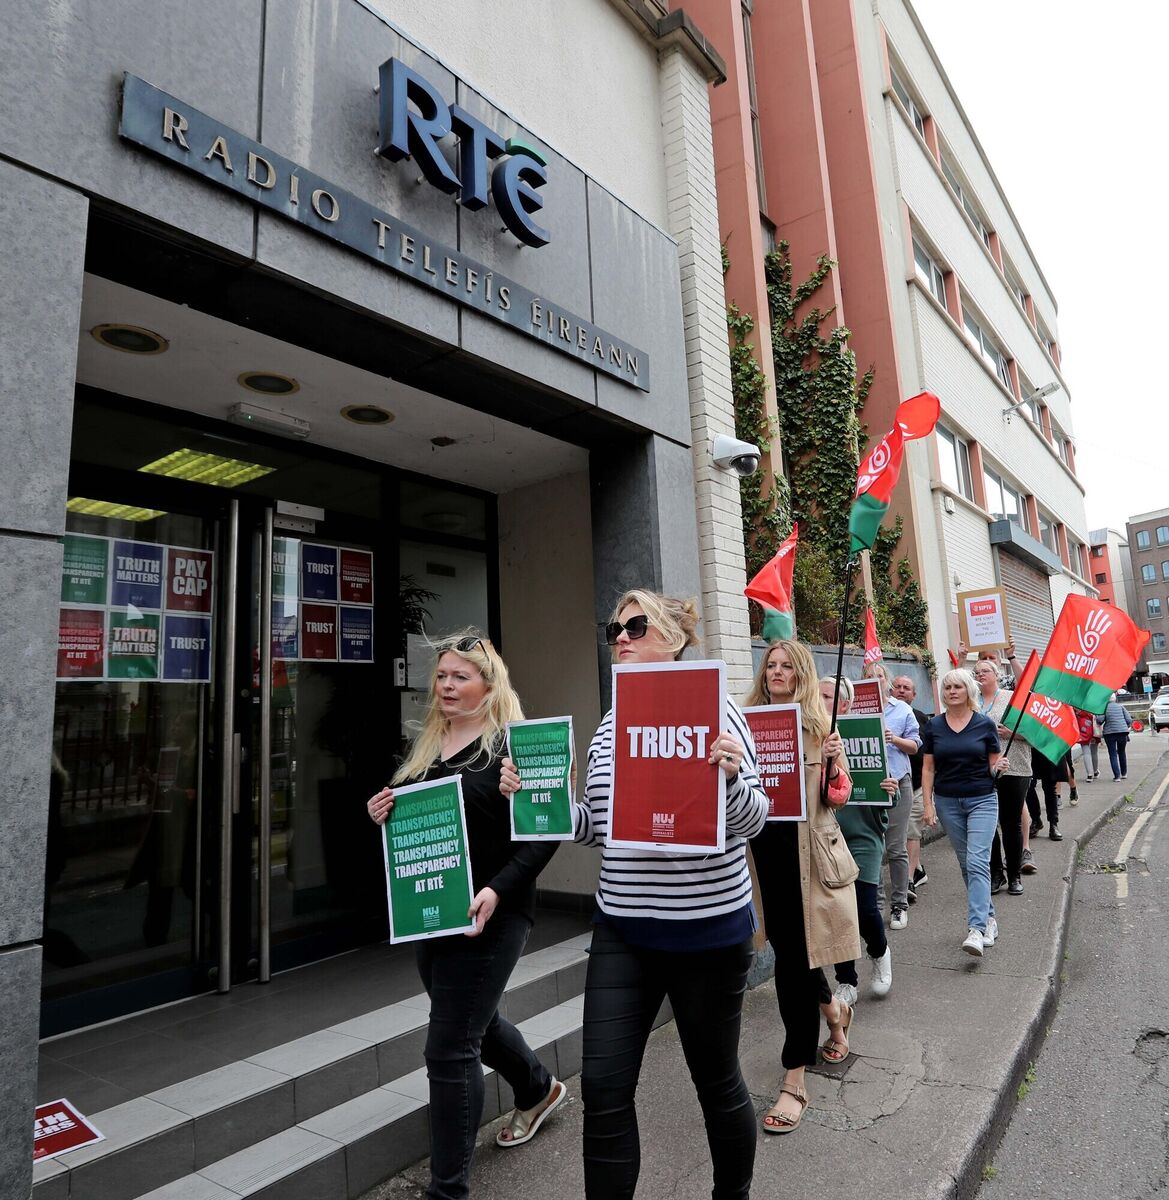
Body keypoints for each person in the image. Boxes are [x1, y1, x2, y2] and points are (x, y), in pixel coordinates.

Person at [503, 590, 768, 1199]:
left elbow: (753, 822)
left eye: (636, 626)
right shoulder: (607, 726)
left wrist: (728, 779)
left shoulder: (720, 714)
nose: (620, 637)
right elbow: (599, 825)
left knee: (716, 1082)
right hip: (625, 931)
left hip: (708, 935)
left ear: (673, 638)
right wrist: (537, 802)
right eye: (613, 629)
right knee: (603, 1087)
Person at [367, 632, 564, 1200]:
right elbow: (410, 820)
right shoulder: (427, 743)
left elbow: (544, 834)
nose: (447, 685)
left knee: (449, 1046)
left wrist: (499, 889)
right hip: (435, 911)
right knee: (473, 1021)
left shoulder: (511, 746)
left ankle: (447, 1191)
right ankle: (537, 1088)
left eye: (460, 676)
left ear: (488, 684)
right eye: (443, 676)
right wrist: (380, 809)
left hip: (496, 913)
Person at [744, 640, 859, 1135]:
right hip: (756, 860)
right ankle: (835, 1013)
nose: (777, 671)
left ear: (802, 672)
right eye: (771, 664)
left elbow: (840, 796)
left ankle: (794, 1078)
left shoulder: (819, 727)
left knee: (792, 963)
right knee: (797, 952)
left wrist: (834, 762)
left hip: (804, 860)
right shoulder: (743, 722)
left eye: (787, 665)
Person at [920, 668, 1007, 957]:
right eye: (947, 687)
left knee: (977, 860)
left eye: (958, 686)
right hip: (947, 802)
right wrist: (929, 804)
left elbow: (992, 766)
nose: (952, 691)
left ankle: (976, 928)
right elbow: (928, 767)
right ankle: (990, 918)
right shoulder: (934, 726)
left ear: (969, 691)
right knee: (966, 863)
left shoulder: (984, 725)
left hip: (982, 799)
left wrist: (999, 768)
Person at [823, 675, 896, 1006]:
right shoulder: (809, 736)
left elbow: (884, 794)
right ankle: (846, 980)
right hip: (828, 838)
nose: (822, 701)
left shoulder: (868, 734)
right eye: (818, 695)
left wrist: (889, 791)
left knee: (866, 909)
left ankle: (879, 952)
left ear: (846, 705)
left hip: (864, 837)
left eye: (829, 697)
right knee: (839, 913)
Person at [862, 662, 920, 929]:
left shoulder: (902, 709)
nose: (875, 680)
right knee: (871, 847)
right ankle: (875, 904)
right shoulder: (855, 708)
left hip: (897, 783)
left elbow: (915, 747)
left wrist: (894, 738)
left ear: (887, 681)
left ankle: (899, 904)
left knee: (896, 847)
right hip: (867, 785)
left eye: (879, 676)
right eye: (869, 676)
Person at [973, 660, 1032, 897]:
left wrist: (1010, 734)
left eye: (985, 671)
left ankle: (1015, 875)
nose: (980, 675)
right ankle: (996, 873)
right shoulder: (971, 701)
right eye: (976, 672)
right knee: (988, 826)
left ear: (997, 674)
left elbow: (1033, 734)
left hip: (1015, 767)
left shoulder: (1012, 698)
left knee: (1010, 823)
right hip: (982, 769)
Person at [891, 674, 932, 901]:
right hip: (890, 785)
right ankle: (917, 869)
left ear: (914, 695)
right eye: (897, 686)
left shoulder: (921, 718)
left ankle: (907, 881)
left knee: (911, 832)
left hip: (915, 784)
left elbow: (927, 755)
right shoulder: (883, 716)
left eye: (906, 688)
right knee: (899, 836)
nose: (901, 690)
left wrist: (928, 795)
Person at [1097, 694, 1133, 781]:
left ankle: (1117, 776)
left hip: (1110, 733)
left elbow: (1100, 720)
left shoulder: (1104, 708)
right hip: (1122, 732)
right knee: (1122, 752)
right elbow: (1129, 720)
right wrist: (1124, 726)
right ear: (1115, 699)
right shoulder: (1121, 707)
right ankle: (1124, 774)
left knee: (1113, 754)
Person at [1076, 709, 1100, 789]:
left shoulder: (1077, 710)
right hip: (1093, 729)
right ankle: (1095, 771)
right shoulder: (1092, 708)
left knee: (1086, 752)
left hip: (1083, 729)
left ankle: (1089, 774)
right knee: (1094, 752)